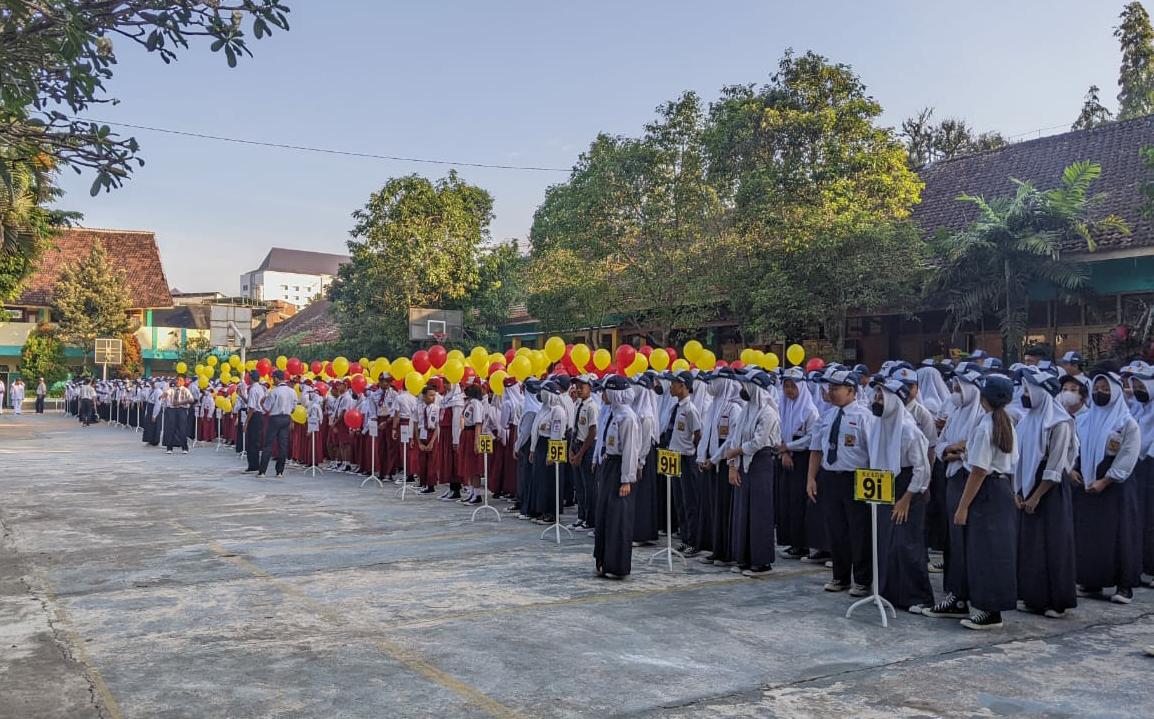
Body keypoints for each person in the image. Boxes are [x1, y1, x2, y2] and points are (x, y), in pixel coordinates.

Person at [926, 374, 1020, 630]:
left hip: (986, 490)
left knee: (988, 552)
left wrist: (963, 506)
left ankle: (992, 611)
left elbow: (979, 470)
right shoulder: (998, 421)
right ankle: (963, 599)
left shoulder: (989, 424)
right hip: (997, 487)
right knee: (975, 549)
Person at [1072, 367, 1143, 605]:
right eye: (1097, 389)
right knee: (1092, 535)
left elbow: (1128, 456)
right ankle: (1092, 580)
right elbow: (1076, 448)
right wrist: (1073, 469)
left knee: (1120, 535)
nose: (1100, 393)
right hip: (1087, 482)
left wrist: (1106, 480)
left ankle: (1124, 586)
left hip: (1115, 486)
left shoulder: (1126, 423)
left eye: (1105, 389)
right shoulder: (1083, 420)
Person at [1014, 367, 1078, 618]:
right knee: (1031, 545)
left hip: (1048, 490)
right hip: (1027, 489)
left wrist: (1037, 495)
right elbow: (1019, 459)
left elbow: (1055, 464)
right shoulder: (1027, 419)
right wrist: (1017, 490)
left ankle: (1056, 601)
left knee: (1054, 544)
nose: (1025, 394)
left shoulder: (1059, 423)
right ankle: (1033, 597)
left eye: (1029, 390)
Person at [924, 363, 987, 615]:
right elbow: (942, 444)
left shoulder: (983, 415)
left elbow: (976, 450)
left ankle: (972, 594)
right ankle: (955, 593)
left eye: (959, 386)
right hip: (953, 478)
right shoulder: (957, 412)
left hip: (973, 482)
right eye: (954, 386)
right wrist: (951, 450)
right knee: (954, 540)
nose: (955, 391)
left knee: (971, 541)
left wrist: (959, 450)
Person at [868, 378, 934, 612]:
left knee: (906, 544)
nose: (876, 401)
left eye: (881, 397)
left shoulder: (908, 429)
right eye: (875, 396)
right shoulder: (879, 424)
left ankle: (917, 596)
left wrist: (906, 499)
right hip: (885, 484)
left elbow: (922, 468)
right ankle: (888, 592)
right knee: (885, 541)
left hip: (907, 488)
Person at [808, 369, 875, 596]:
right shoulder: (826, 416)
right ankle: (840, 576)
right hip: (831, 476)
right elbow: (816, 449)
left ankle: (863, 580)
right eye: (830, 389)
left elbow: (873, 452)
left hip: (856, 477)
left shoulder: (865, 416)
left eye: (836, 389)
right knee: (836, 530)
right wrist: (811, 478)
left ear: (851, 391)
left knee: (859, 531)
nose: (831, 393)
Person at [725, 370, 781, 577]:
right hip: (743, 463)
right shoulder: (747, 409)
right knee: (743, 512)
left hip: (760, 463)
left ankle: (761, 561)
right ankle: (744, 557)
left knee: (759, 513)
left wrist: (736, 452)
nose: (742, 390)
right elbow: (735, 437)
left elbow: (759, 441)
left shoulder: (768, 412)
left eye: (746, 386)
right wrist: (732, 464)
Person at [593, 375, 641, 579]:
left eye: (605, 391)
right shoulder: (610, 413)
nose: (602, 395)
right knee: (604, 514)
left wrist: (626, 479)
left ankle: (617, 564)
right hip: (608, 464)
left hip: (620, 467)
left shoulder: (627, 417)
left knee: (618, 518)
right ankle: (603, 560)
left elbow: (631, 450)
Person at [697, 368, 744, 567]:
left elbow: (731, 440)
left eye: (714, 381)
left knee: (725, 508)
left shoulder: (734, 408)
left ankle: (727, 552)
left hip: (725, 464)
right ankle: (716, 549)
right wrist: (702, 456)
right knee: (714, 508)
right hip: (711, 463)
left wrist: (715, 459)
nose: (710, 386)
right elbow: (706, 434)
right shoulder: (713, 406)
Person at [778, 367, 822, 560]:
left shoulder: (809, 410)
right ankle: (792, 541)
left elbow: (811, 438)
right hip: (786, 457)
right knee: (787, 501)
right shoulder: (784, 406)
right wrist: (785, 450)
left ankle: (802, 543)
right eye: (786, 386)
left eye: (792, 386)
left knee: (799, 502)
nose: (789, 390)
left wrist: (789, 446)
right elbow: (780, 430)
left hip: (803, 459)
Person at [568, 375, 599, 532]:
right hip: (577, 445)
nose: (579, 389)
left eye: (582, 386)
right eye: (577, 386)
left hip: (587, 448)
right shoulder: (577, 404)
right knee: (578, 485)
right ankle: (581, 516)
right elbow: (575, 429)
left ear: (590, 388)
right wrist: (571, 450)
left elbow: (592, 432)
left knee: (589, 486)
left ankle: (590, 518)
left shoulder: (592, 407)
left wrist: (580, 454)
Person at [258, 370, 297, 478]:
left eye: (273, 377)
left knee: (268, 445)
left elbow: (267, 408)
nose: (272, 380)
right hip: (286, 418)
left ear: (276, 378)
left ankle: (262, 471)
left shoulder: (273, 392)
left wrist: (261, 403)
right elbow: (294, 408)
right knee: (283, 445)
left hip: (275, 418)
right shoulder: (292, 391)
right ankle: (280, 472)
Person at [163, 377, 195, 454]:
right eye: (177, 380)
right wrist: (163, 395)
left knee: (182, 429)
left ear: (183, 382)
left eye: (180, 380)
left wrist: (180, 402)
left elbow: (191, 399)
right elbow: (167, 393)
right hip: (172, 410)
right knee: (171, 428)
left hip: (182, 410)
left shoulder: (185, 390)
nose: (178, 382)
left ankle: (184, 448)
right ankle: (169, 448)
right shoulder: (171, 389)